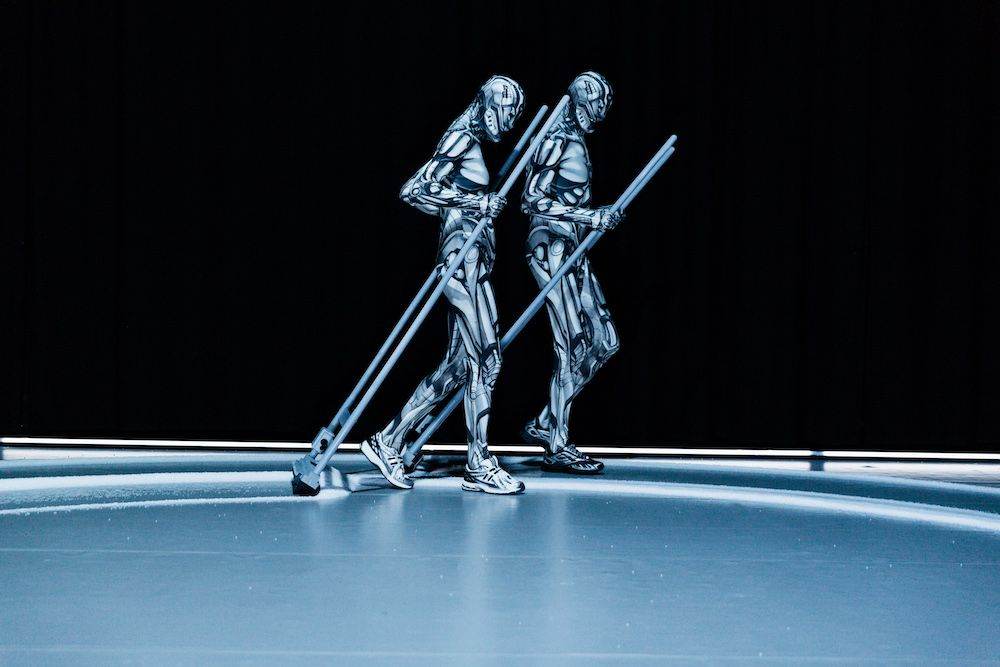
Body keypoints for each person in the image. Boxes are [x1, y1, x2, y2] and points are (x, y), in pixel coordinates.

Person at [360, 76, 527, 495]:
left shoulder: (472, 140)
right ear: (489, 107)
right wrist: (476, 202)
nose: (508, 125)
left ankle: (389, 441)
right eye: (506, 114)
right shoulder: (462, 138)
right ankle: (479, 462)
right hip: (460, 263)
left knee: (460, 366)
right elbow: (414, 190)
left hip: (476, 264)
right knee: (486, 360)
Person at [519, 71, 622, 474]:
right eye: (597, 106)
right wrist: (589, 216)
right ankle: (558, 444)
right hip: (549, 247)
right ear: (581, 103)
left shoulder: (577, 138)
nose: (601, 115)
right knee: (572, 344)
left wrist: (591, 219)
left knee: (605, 341)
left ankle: (547, 420)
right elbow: (531, 199)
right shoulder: (556, 139)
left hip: (573, 248)